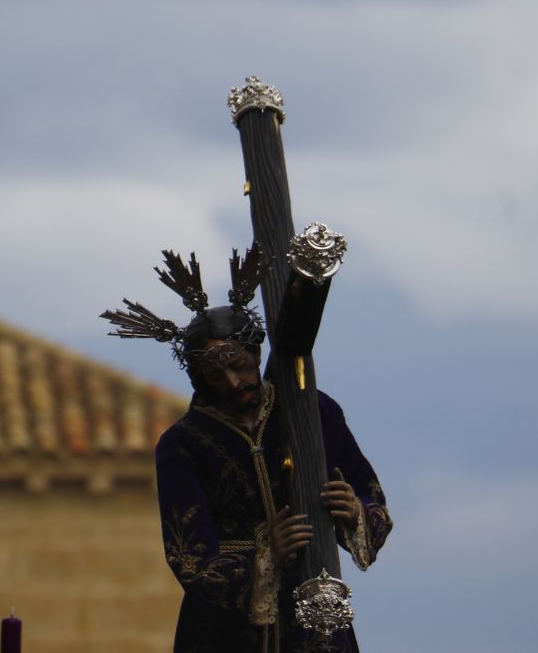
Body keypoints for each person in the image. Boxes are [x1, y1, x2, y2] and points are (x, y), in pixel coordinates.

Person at [103, 250, 391, 653]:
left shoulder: (313, 410)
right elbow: (188, 557)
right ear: (200, 379)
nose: (234, 381)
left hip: (314, 608)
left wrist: (353, 510)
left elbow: (371, 497)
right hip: (225, 628)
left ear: (255, 353)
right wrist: (266, 554)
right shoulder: (183, 445)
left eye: (239, 365)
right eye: (216, 375)